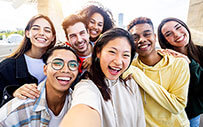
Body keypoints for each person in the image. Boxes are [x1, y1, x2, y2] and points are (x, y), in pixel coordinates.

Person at [60, 28, 146, 127]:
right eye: (112, 52)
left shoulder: (131, 83)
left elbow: (140, 122)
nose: (118, 61)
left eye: (126, 55)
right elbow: (84, 109)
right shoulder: (87, 86)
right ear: (98, 52)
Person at [123, 17, 190, 127]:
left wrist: (137, 74)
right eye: (135, 37)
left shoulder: (179, 63)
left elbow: (177, 105)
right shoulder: (128, 68)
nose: (142, 40)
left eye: (147, 34)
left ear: (155, 37)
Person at [0, 46, 80, 126]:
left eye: (73, 65)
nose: (65, 70)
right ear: (45, 69)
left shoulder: (78, 103)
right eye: (57, 63)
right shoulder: (17, 111)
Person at [0, 14, 56, 107]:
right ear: (27, 33)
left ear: (53, 37)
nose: (41, 33)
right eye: (35, 28)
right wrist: (12, 93)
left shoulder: (58, 64)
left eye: (47, 30)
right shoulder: (6, 67)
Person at [158, 17, 203, 127]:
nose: (177, 34)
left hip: (192, 114)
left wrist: (190, 63)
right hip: (170, 115)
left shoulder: (201, 51)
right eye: (168, 34)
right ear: (165, 41)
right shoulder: (165, 59)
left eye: (178, 27)